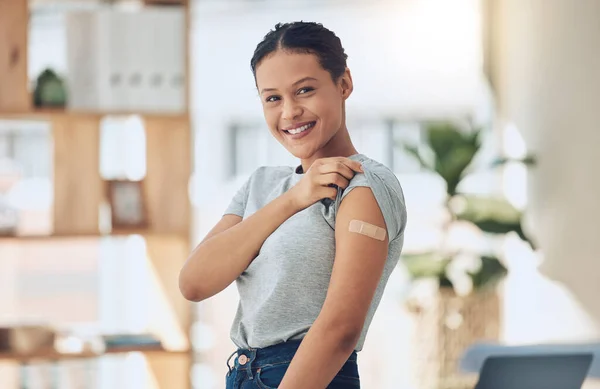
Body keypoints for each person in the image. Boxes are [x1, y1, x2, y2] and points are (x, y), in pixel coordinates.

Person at [179, 21, 407, 389]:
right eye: (273, 98)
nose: (289, 112)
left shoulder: (361, 186)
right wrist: (294, 199)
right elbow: (194, 283)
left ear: (343, 84)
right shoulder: (262, 185)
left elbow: (341, 329)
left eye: (304, 90)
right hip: (242, 373)